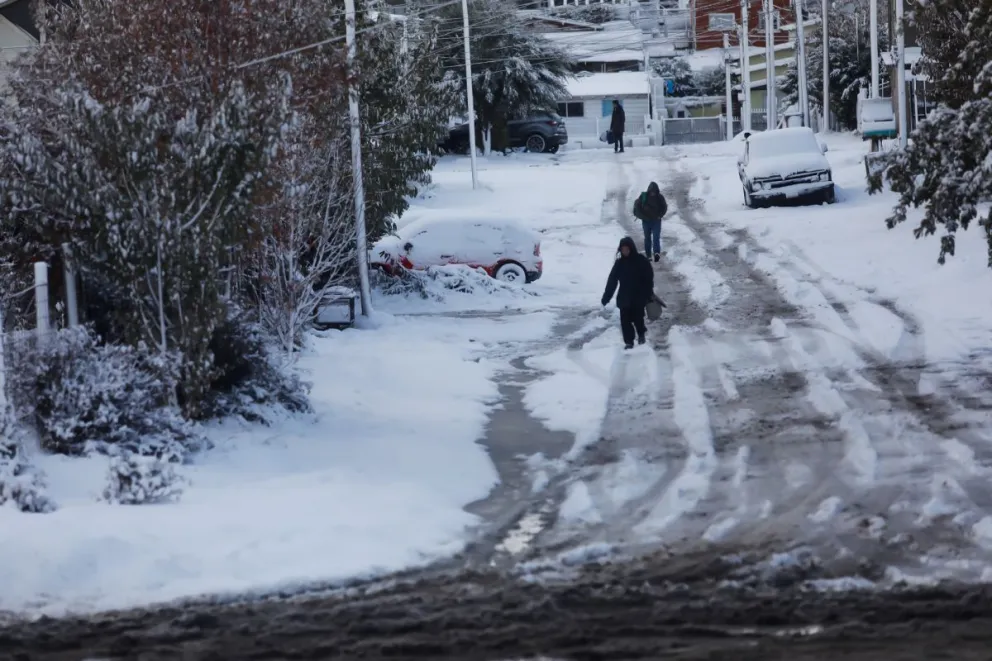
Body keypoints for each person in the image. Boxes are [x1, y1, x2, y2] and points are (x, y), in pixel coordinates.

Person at [601, 236, 654, 350]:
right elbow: (612, 281)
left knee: (638, 318)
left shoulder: (641, 260)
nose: (625, 251)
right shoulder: (619, 264)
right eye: (623, 249)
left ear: (631, 248)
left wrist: (648, 293)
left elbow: (649, 278)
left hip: (638, 296)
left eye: (627, 249)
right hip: (624, 296)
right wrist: (606, 297)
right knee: (625, 320)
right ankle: (629, 342)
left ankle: (641, 334)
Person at [632, 181, 668, 263]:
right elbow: (637, 207)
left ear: (656, 191)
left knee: (656, 237)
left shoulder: (660, 197)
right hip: (646, 221)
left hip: (656, 221)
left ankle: (656, 253)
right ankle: (648, 255)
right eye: (652, 191)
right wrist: (643, 217)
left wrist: (660, 215)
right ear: (649, 190)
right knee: (647, 238)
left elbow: (664, 207)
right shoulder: (643, 196)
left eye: (654, 192)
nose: (653, 193)